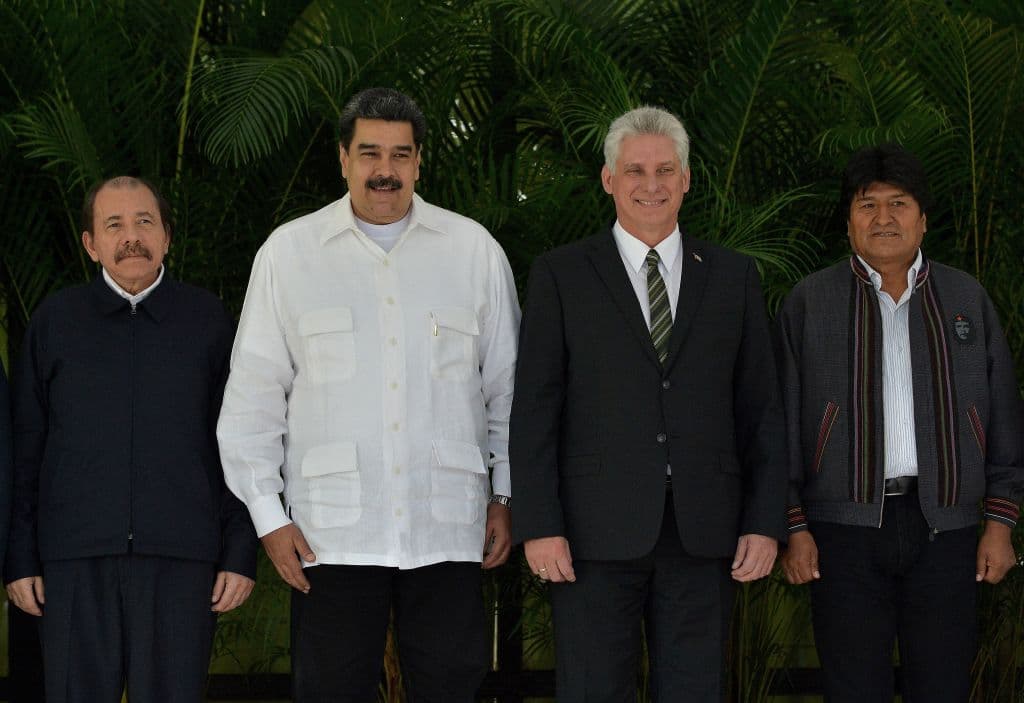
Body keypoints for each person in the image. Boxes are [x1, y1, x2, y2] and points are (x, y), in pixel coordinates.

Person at [217, 87, 519, 702]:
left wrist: (505, 494)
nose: (386, 171)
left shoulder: (473, 251)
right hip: (329, 534)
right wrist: (269, 519)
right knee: (328, 689)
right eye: (370, 153)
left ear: (419, 161)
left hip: (448, 527)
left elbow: (506, 391)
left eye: (401, 155)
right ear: (343, 158)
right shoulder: (289, 253)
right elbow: (253, 399)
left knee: (454, 686)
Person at [510, 105, 787, 701]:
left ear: (687, 179)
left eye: (666, 169)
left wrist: (764, 523)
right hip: (589, 535)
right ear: (609, 180)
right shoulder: (562, 274)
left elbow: (761, 411)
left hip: (705, 530)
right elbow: (535, 409)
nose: (651, 184)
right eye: (635, 170)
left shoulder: (734, 277)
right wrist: (539, 526)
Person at [777, 143, 1024, 702]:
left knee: (941, 685)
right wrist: (794, 527)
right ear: (848, 223)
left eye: (899, 204)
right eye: (867, 206)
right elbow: (783, 424)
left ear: (923, 220)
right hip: (842, 533)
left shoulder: (966, 299)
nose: (883, 219)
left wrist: (1000, 522)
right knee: (851, 688)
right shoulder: (810, 303)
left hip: (948, 529)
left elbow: (1002, 417)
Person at [4, 176, 258, 702]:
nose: (131, 237)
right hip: (73, 562)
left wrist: (239, 550)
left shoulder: (208, 322)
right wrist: (21, 558)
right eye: (113, 225)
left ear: (167, 235)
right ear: (91, 243)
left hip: (183, 561)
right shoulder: (54, 322)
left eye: (145, 222)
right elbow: (27, 449)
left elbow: (240, 443)